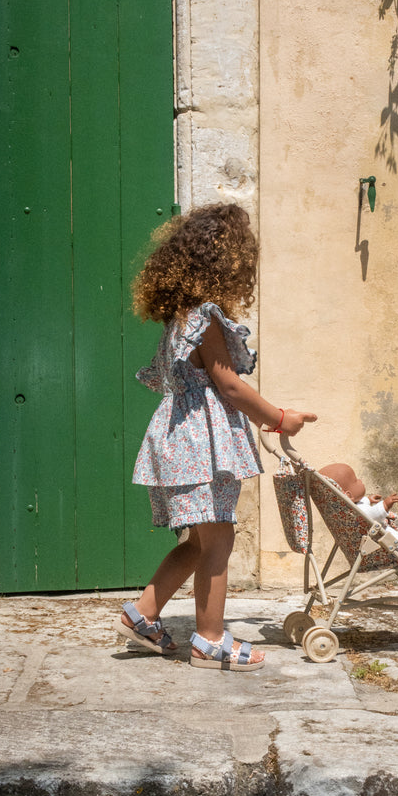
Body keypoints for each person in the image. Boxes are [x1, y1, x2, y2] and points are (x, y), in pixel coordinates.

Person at [115, 203, 317, 672]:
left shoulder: (180, 318)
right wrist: (279, 417)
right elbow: (229, 386)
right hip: (200, 447)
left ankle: (142, 616)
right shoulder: (205, 318)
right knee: (219, 538)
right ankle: (210, 641)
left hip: (180, 442)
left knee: (200, 540)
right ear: (225, 264)